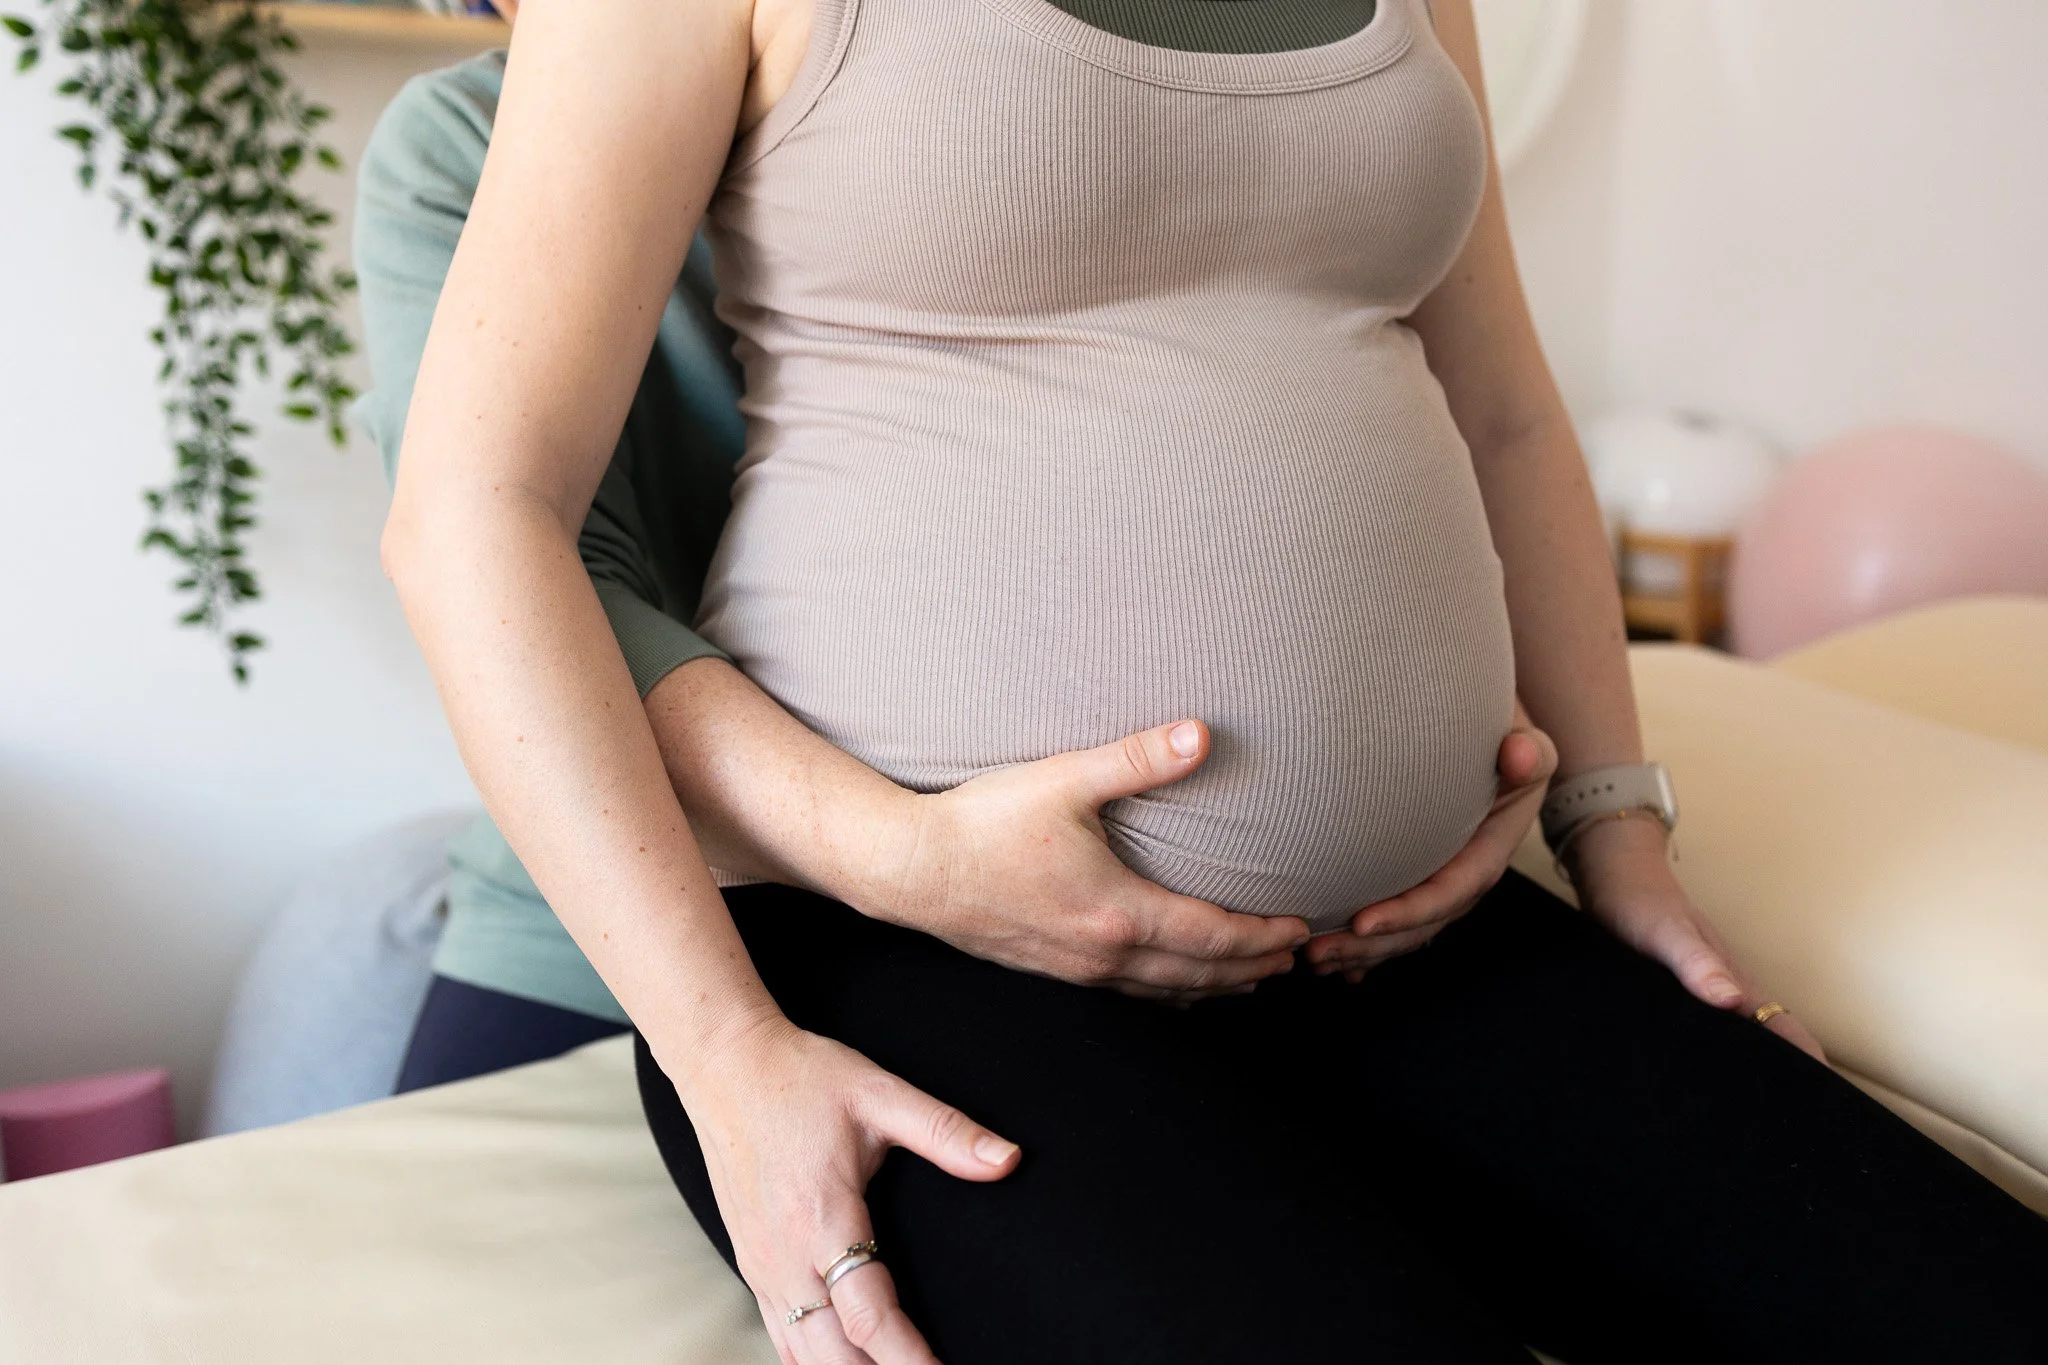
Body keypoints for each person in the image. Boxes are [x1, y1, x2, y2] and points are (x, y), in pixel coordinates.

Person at [373, 0, 2048, 1362]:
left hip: (1420, 941)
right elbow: (479, 516)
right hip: (918, 950)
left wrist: (1619, 838)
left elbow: (1510, 417)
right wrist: (733, 1059)